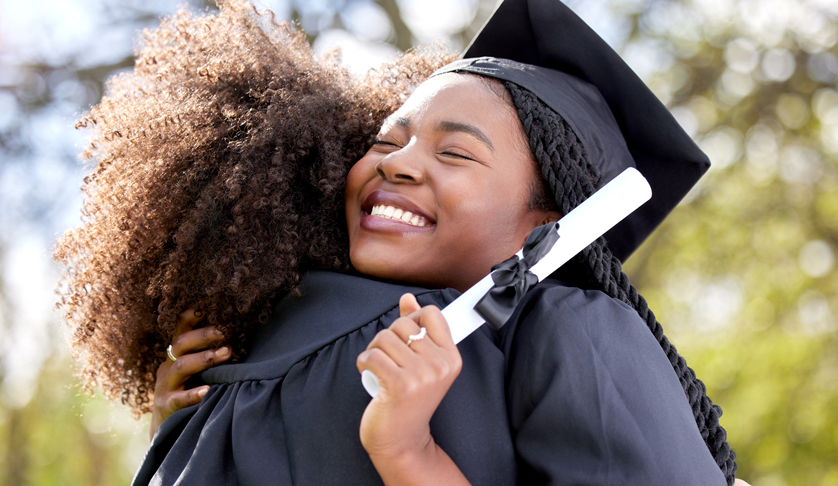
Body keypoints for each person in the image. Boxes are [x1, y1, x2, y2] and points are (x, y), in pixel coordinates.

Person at [55, 0, 742, 484]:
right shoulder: (264, 340)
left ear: (546, 225)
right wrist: (180, 436)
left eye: (457, 154)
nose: (398, 162)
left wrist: (409, 452)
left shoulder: (564, 331)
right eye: (387, 139)